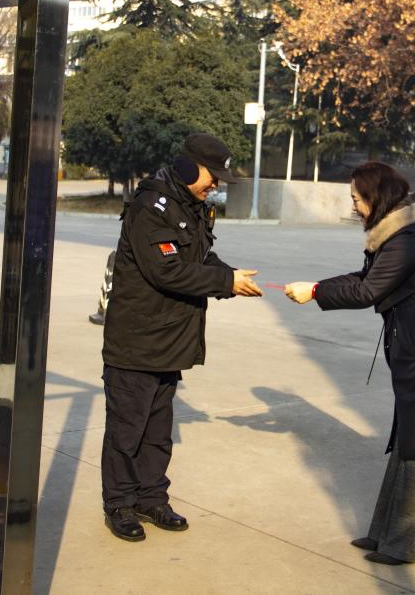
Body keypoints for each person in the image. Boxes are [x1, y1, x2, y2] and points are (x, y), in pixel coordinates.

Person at [284, 161, 415, 565]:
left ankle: (405, 545)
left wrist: (314, 292)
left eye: (357, 199)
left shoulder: (409, 238)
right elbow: (368, 278)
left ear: (376, 197)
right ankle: (386, 533)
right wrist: (318, 287)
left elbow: (368, 291)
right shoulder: (398, 233)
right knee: (408, 440)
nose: (353, 206)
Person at [100, 132, 262, 542]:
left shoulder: (192, 207)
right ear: (189, 167)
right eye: (213, 176)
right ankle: (120, 504)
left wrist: (230, 276)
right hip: (136, 341)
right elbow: (166, 271)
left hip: (169, 341)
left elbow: (200, 257)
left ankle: (151, 498)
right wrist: (224, 282)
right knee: (126, 431)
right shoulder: (150, 207)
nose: (216, 186)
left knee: (157, 432)